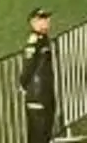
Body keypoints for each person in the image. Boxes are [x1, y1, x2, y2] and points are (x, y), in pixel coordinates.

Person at [19, 8, 56, 143]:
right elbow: (28, 66)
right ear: (34, 22)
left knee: (45, 131)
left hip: (45, 91)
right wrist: (24, 85)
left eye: (48, 19)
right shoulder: (34, 42)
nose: (48, 22)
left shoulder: (43, 39)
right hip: (37, 93)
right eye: (44, 19)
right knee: (38, 133)